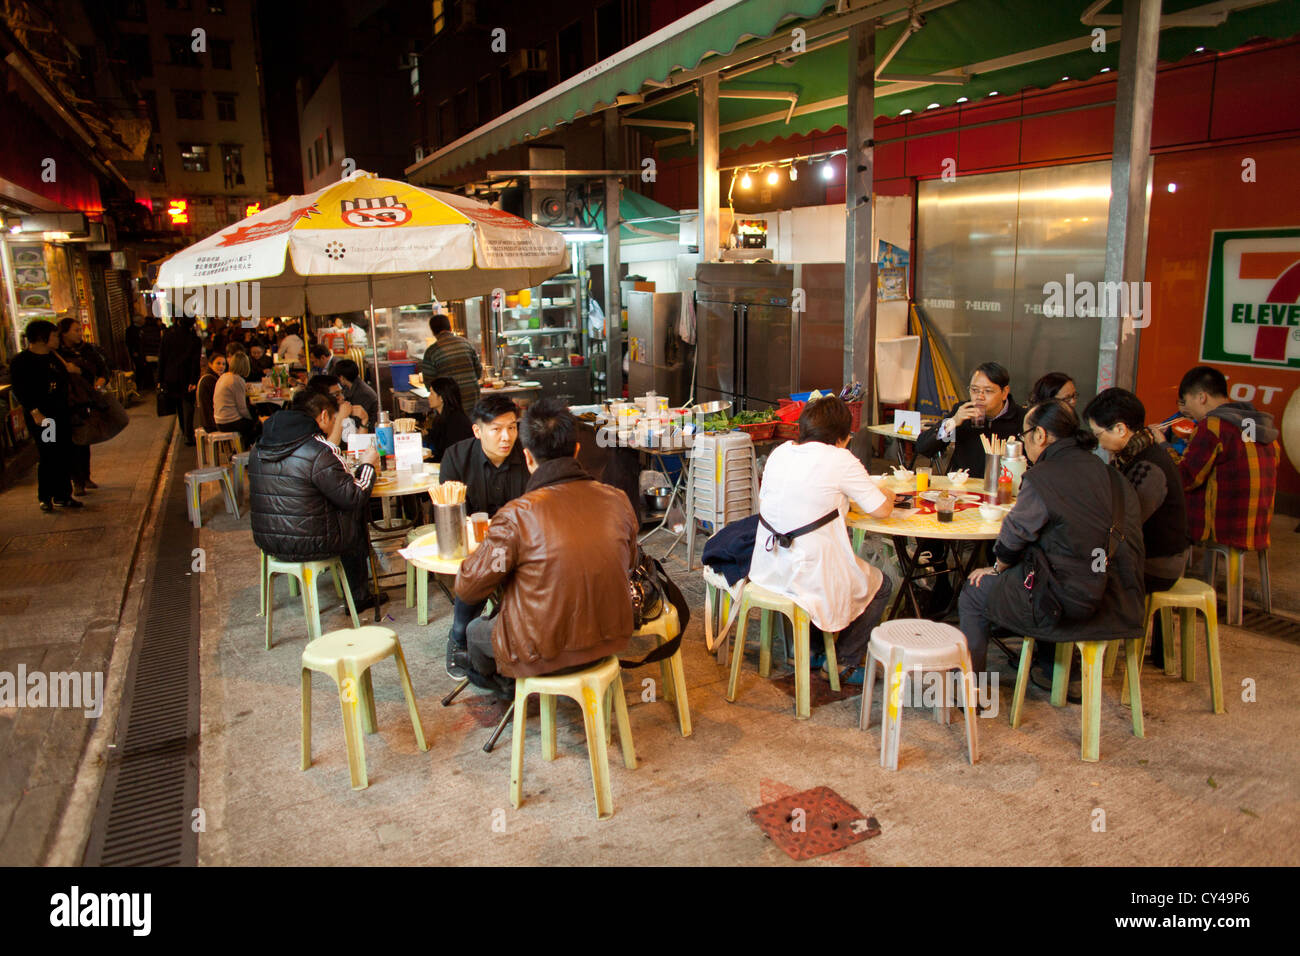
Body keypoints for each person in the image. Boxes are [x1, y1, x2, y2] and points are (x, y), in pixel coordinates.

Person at [451, 399, 639, 699]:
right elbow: (628, 562)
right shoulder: (617, 499)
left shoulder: (515, 515)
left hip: (541, 653)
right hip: (611, 641)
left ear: (527, 457)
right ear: (577, 451)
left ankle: (515, 692)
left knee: (474, 632)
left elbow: (468, 588)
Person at [958, 400, 1145, 701]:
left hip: (1068, 606)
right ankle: (1050, 668)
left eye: (1024, 435)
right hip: (1121, 600)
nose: (1022, 442)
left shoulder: (1043, 477)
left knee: (975, 590)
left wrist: (995, 568)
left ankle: (969, 692)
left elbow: (1014, 536)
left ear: (1040, 435)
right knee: (1048, 569)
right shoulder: (1111, 474)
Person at [748, 396, 895, 685]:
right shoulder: (840, 459)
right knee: (881, 585)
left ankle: (810, 650)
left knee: (825, 567)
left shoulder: (781, 452)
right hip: (806, 572)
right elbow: (881, 510)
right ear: (843, 437)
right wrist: (888, 492)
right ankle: (842, 662)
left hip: (770, 566)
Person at [248, 389, 383, 614]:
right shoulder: (318, 451)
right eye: (332, 418)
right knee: (354, 514)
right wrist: (368, 464)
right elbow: (355, 495)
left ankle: (356, 592)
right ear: (322, 417)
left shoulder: (259, 447)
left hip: (269, 542)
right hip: (313, 543)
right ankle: (359, 596)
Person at [1085, 388, 1190, 668]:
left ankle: (1078, 659)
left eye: (1099, 435)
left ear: (1120, 429)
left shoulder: (1149, 466)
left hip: (1158, 564)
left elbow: (1123, 526)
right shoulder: (1132, 457)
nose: (1099, 443)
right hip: (1146, 556)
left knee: (1077, 572)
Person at [439, 394, 531, 678]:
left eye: (512, 427)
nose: (507, 437)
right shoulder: (456, 457)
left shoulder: (528, 456)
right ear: (478, 431)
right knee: (477, 574)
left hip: (521, 545)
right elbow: (453, 514)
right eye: (497, 429)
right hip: (474, 545)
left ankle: (508, 639)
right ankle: (460, 636)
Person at [1151, 365, 1279, 557]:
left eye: (1186, 402)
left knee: (1157, 507)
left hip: (1223, 527)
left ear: (1201, 397)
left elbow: (1184, 478)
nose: (1187, 410)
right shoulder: (1256, 423)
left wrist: (1162, 444)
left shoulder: (1212, 425)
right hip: (1257, 527)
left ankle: (1164, 574)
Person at [10, 320, 79, 511]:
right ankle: (45, 496)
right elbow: (21, 390)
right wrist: (34, 411)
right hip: (44, 418)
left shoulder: (55, 357)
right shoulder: (21, 361)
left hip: (62, 413)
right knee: (49, 454)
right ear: (42, 338)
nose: (57, 339)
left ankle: (63, 495)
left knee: (64, 453)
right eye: (54, 335)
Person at [916, 361, 1024, 475]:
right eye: (974, 390)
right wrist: (952, 423)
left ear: (1004, 392)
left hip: (1004, 486)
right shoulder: (962, 412)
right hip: (964, 487)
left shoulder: (1021, 418)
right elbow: (924, 449)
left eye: (988, 391)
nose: (979, 397)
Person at [56, 317, 111, 494]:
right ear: (64, 333)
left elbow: (103, 369)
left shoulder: (87, 350)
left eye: (80, 330)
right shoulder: (56, 353)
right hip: (66, 402)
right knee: (73, 442)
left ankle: (85, 477)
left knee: (84, 439)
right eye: (76, 330)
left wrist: (99, 383)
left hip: (85, 399)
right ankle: (77, 481)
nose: (80, 333)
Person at [419, 314, 482, 413]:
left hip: (450, 404)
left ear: (433, 331)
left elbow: (430, 385)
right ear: (450, 327)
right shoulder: (466, 344)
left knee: (454, 427)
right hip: (472, 399)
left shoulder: (432, 352)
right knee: (473, 426)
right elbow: (478, 372)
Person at [159, 315, 203, 446]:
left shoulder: (168, 336)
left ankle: (184, 430)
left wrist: (160, 378)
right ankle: (188, 434)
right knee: (188, 405)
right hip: (187, 376)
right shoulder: (194, 340)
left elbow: (162, 357)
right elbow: (195, 362)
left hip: (171, 376)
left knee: (179, 405)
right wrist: (193, 380)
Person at [213, 350, 262, 448]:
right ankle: (249, 453)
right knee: (260, 426)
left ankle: (242, 450)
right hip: (230, 422)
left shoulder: (224, 376)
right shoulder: (237, 380)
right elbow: (242, 409)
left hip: (219, 420)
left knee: (254, 423)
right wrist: (256, 419)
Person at [421, 376, 473, 462]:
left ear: (441, 398)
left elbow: (451, 456)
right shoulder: (440, 418)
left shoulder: (457, 422)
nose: (429, 397)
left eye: (431, 393)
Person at [306, 374, 359, 446]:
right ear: (322, 397)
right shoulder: (311, 422)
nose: (342, 397)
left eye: (341, 393)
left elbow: (356, 445)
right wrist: (341, 417)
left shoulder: (341, 413)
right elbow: (327, 450)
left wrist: (364, 421)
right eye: (336, 395)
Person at [333, 358, 378, 428]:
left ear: (342, 377)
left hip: (368, 430)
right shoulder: (348, 387)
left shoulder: (363, 393)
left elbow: (358, 420)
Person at [196, 351, 227, 434]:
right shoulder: (210, 380)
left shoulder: (210, 377)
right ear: (210, 364)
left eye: (224, 364)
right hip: (212, 422)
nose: (221, 366)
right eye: (218, 363)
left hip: (208, 420)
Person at [125, 314, 152, 391]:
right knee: (140, 368)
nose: (144, 321)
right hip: (136, 353)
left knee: (146, 367)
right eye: (142, 319)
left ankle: (147, 384)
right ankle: (139, 385)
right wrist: (134, 351)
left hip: (144, 352)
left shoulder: (143, 328)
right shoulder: (130, 330)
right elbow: (129, 342)